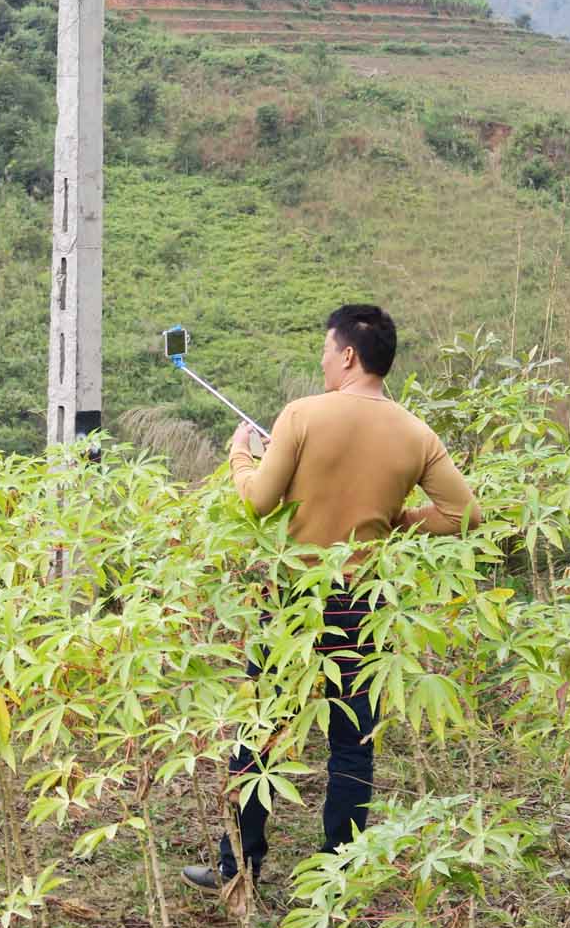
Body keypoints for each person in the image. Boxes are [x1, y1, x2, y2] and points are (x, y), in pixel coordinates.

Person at [182, 303, 481, 891]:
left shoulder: (301, 415)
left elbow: (259, 502)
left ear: (348, 354)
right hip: (359, 602)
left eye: (326, 350)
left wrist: (243, 454)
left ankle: (237, 865)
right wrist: (395, 518)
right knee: (352, 744)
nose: (322, 361)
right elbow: (463, 514)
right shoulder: (416, 433)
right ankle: (335, 877)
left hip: (291, 601)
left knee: (263, 729)